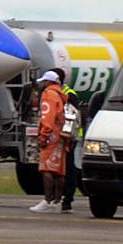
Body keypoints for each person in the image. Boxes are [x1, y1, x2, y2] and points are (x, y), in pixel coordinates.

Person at [29, 70, 68, 213]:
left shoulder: (49, 94)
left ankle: (47, 201)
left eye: (44, 81)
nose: (42, 84)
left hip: (51, 135)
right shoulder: (60, 94)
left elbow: (48, 117)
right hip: (61, 135)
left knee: (46, 168)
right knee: (59, 170)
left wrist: (43, 136)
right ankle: (57, 202)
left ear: (48, 82)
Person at [50, 68, 82, 212]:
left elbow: (71, 118)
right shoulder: (57, 93)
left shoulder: (69, 95)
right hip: (58, 137)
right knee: (55, 169)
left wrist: (66, 137)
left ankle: (67, 200)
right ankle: (56, 199)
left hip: (68, 138)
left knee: (68, 169)